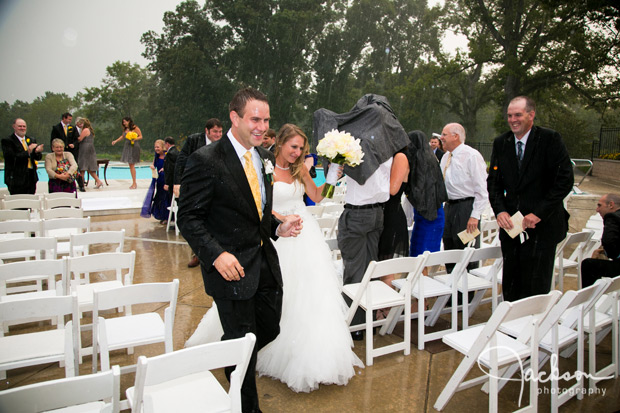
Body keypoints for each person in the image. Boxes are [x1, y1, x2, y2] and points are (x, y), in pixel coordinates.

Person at [186, 123, 360, 393]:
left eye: (301, 148)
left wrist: (332, 177)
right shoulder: (262, 167)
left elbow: (317, 196)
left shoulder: (299, 169)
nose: (297, 152)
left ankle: (296, 355)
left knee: (307, 298)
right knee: (268, 296)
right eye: (293, 147)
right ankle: (241, 347)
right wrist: (279, 222)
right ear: (279, 144)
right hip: (273, 237)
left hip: (304, 236)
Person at [177, 87, 303, 413]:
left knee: (269, 327)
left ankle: (229, 356)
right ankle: (248, 406)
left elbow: (256, 212)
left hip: (262, 262)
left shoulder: (262, 158)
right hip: (229, 270)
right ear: (235, 118)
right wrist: (216, 254)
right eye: (255, 119)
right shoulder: (205, 160)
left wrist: (277, 226)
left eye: (266, 120)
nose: (262, 126)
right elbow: (189, 219)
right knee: (244, 340)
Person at [488, 96, 573, 301]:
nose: (513, 120)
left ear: (531, 115)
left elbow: (564, 181)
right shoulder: (502, 143)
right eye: (509, 115)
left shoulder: (550, 140)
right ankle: (510, 326)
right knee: (511, 283)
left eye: (518, 115)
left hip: (541, 229)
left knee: (535, 286)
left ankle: (533, 328)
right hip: (512, 228)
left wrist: (538, 213)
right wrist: (500, 210)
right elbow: (494, 183)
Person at [174, 118, 223, 268]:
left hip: (215, 188)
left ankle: (215, 254)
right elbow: (181, 161)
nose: (218, 135)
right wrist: (177, 183)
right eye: (215, 131)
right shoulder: (194, 141)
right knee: (196, 220)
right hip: (195, 188)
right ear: (206, 131)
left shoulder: (224, 144)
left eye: (220, 132)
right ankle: (197, 255)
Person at [440, 122, 488, 270]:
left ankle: (467, 291)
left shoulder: (471, 156)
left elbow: (482, 189)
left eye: (444, 135)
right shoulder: (445, 157)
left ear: (456, 136)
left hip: (466, 208)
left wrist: (474, 216)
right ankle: (452, 288)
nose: (441, 138)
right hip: (449, 207)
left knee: (466, 250)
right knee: (449, 247)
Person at [406, 130, 447, 258]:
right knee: (420, 251)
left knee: (424, 253)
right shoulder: (430, 158)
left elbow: (419, 188)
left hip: (429, 214)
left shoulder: (421, 161)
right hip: (430, 211)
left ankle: (423, 277)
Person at [377, 148, 409, 290]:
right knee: (383, 266)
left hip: (391, 215)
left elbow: (392, 190)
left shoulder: (400, 157)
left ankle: (386, 310)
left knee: (386, 268)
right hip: (387, 213)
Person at [581, 193, 620, 287]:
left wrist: (606, 253)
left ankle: (588, 299)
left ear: (611, 205)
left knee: (588, 264)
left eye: (599, 205)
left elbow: (608, 242)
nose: (597, 209)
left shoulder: (612, 217)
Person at [2, 118, 43, 194]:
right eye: (20, 126)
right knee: (19, 203)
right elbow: (10, 158)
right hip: (16, 179)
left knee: (30, 201)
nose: (22, 128)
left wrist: (37, 152)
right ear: (14, 126)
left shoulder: (31, 139)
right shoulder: (7, 141)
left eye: (24, 126)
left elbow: (37, 158)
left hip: (31, 177)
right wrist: (28, 152)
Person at [51, 112, 84, 191]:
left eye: (70, 119)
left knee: (74, 168)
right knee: (59, 168)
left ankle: (81, 185)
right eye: (69, 119)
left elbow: (77, 139)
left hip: (71, 152)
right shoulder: (56, 128)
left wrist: (74, 144)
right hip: (60, 153)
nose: (70, 121)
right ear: (64, 118)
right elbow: (53, 140)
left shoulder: (72, 128)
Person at [141, 139, 171, 223]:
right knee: (159, 197)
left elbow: (171, 166)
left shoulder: (167, 155)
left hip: (165, 179)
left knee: (166, 197)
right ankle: (161, 215)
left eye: (158, 147)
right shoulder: (156, 156)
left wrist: (165, 168)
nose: (156, 149)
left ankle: (167, 217)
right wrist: (152, 167)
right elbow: (154, 164)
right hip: (159, 180)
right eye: (155, 147)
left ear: (162, 147)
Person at [111, 116, 142, 189]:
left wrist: (134, 139)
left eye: (125, 121)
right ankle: (134, 182)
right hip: (127, 146)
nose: (124, 123)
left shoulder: (135, 128)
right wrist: (115, 141)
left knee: (132, 164)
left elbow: (140, 136)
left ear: (129, 121)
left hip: (133, 146)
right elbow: (122, 136)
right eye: (123, 122)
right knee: (130, 164)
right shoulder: (126, 129)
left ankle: (134, 183)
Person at [75, 117, 103, 189]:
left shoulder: (85, 130)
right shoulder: (88, 129)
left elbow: (80, 139)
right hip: (89, 148)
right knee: (87, 167)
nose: (79, 125)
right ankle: (98, 181)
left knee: (83, 165)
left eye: (81, 124)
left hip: (85, 148)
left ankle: (82, 183)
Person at [163, 136, 178, 201]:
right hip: (176, 179)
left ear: (167, 144)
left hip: (172, 180)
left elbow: (170, 169)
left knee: (172, 198)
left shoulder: (170, 154)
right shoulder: (177, 151)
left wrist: (167, 183)